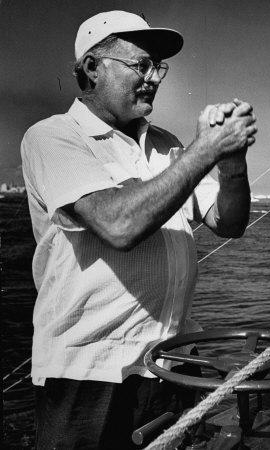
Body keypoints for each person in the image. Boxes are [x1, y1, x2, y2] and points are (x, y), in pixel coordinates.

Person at [21, 10, 257, 449]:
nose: (153, 78)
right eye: (140, 65)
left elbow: (229, 223)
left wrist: (232, 164)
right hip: (88, 373)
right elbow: (118, 225)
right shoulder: (52, 137)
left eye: (158, 68)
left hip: (168, 363)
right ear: (93, 68)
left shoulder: (168, 145)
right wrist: (204, 151)